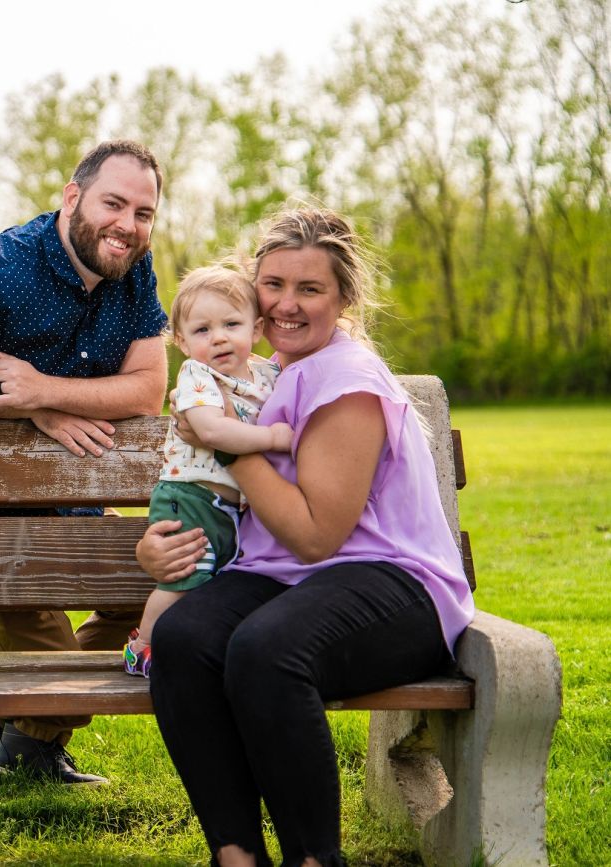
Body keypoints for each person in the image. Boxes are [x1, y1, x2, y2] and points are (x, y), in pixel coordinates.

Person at [137, 206, 475, 866]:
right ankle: (235, 855)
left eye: (309, 288)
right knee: (183, 638)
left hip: (394, 584)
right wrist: (158, 549)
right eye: (273, 285)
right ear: (252, 289)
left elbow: (319, 535)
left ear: (344, 296)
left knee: (266, 651)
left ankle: (314, 859)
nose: (286, 305)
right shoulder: (264, 373)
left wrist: (230, 447)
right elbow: (206, 489)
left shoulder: (346, 379)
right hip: (282, 574)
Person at [0, 139, 206, 785]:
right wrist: (18, 407)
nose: (128, 224)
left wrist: (45, 390)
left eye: (143, 212)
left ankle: (19, 711)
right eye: (113, 203)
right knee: (53, 653)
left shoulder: (130, 269)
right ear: (72, 197)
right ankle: (31, 744)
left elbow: (148, 389)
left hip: (57, 491)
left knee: (149, 593)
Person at [122, 264, 292, 678]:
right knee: (183, 578)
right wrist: (272, 438)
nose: (218, 337)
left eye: (231, 324)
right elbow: (211, 430)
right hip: (191, 495)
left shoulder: (269, 373)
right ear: (181, 341)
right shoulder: (199, 375)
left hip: (231, 506)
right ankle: (141, 646)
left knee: (214, 578)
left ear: (256, 329)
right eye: (201, 330)